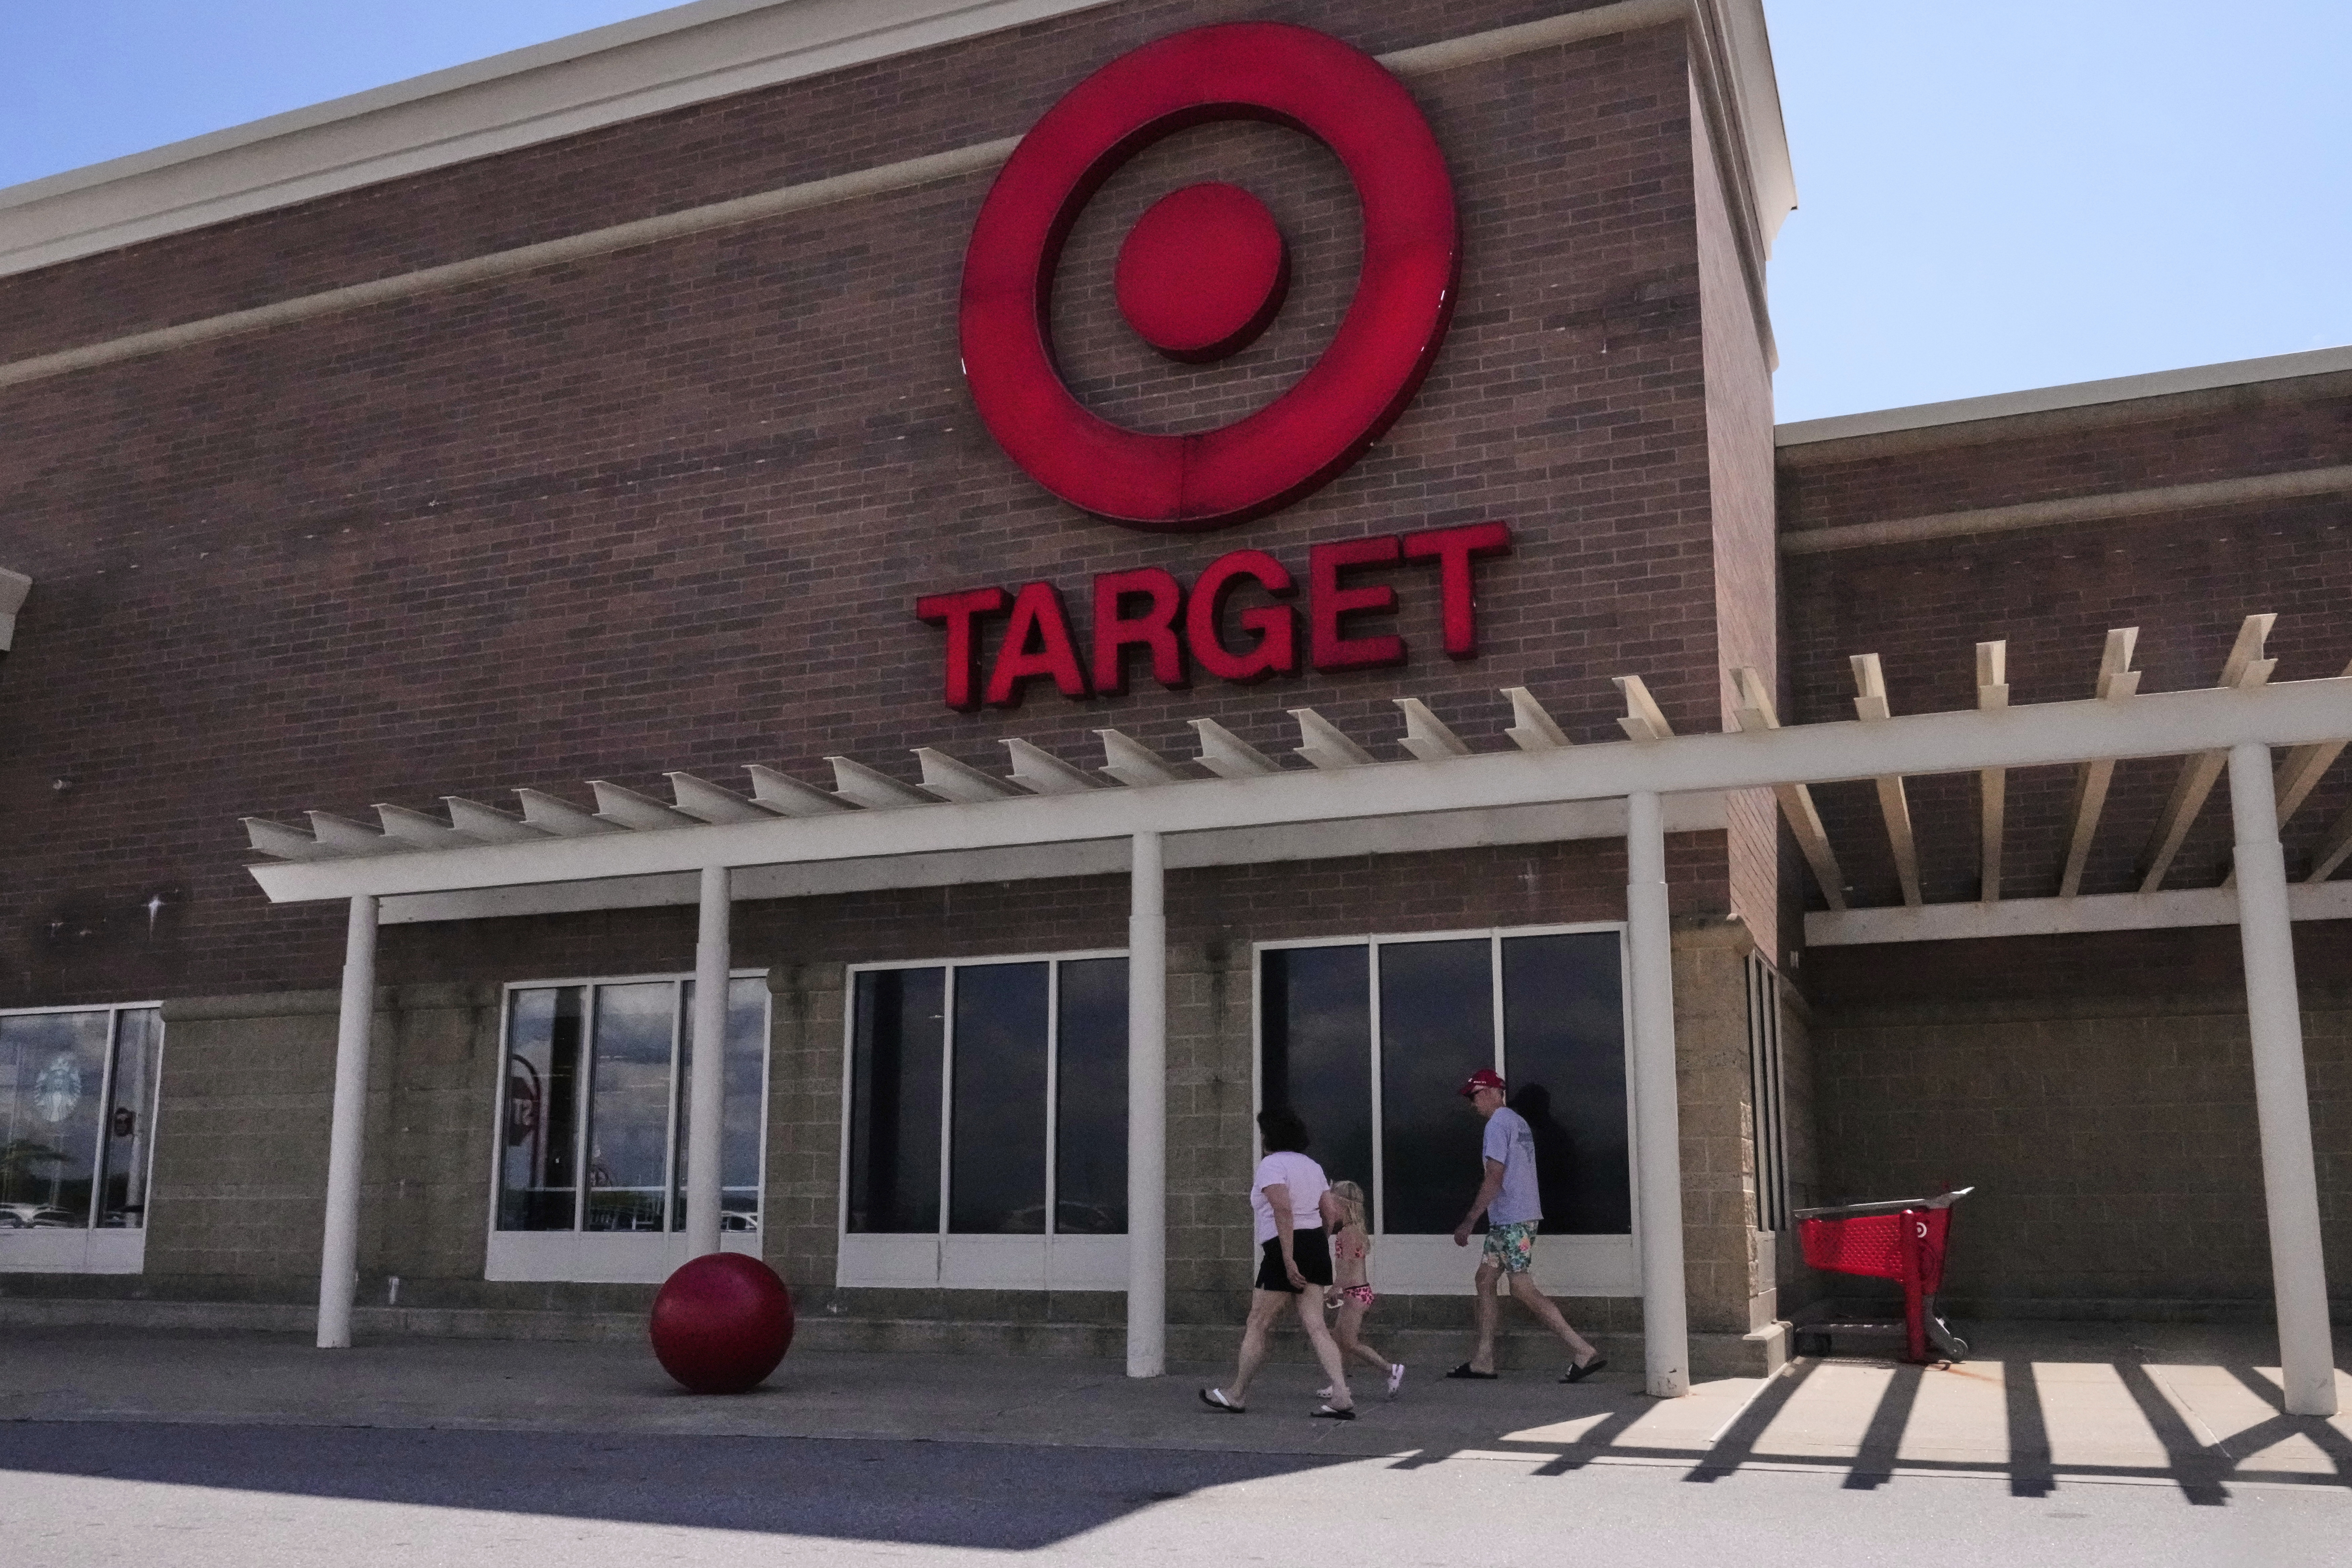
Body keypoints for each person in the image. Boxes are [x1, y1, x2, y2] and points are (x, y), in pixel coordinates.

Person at [1445, 1068, 1606, 1383]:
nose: (1472, 1102)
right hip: (1514, 1218)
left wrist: (1468, 1221)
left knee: (1521, 1287)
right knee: (1485, 1279)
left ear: (1493, 1092)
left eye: (1474, 1095)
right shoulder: (1518, 1123)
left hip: (1512, 1220)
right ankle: (1483, 1359)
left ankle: (1582, 1349)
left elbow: (1495, 1175)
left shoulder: (1497, 1125)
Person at [1200, 1106, 1359, 1419]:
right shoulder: (1313, 1166)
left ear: (1270, 1136)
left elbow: (1282, 1210)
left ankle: (1236, 1394)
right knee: (1316, 1325)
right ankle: (1341, 1393)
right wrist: (1317, 1243)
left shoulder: (1271, 1166)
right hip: (1314, 1243)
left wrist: (1288, 1258)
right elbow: (1334, 1215)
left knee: (1258, 1322)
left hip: (1284, 1246)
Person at [1320, 1179, 1404, 1400]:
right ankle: (1338, 1383)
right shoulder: (1353, 1230)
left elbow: (1347, 1270)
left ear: (1342, 1206)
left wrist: (1332, 1290)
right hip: (1356, 1292)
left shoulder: (1347, 1233)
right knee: (1340, 1339)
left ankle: (1390, 1369)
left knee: (1349, 1342)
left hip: (1356, 1293)